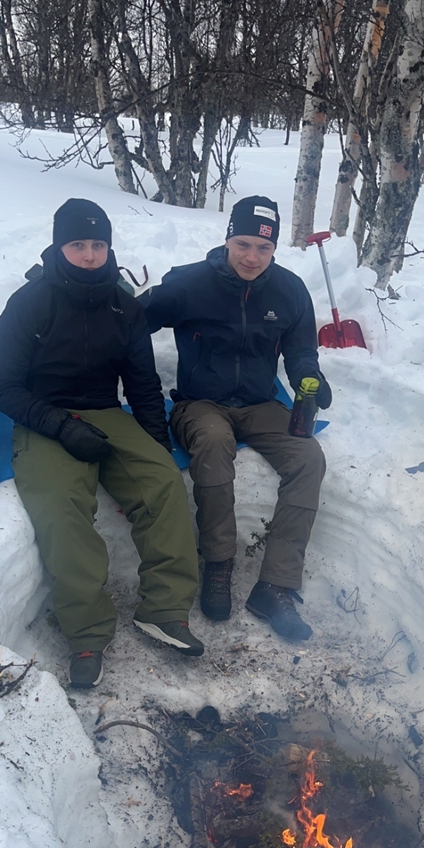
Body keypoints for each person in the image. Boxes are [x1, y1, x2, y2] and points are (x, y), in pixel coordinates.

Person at [0, 198, 204, 687]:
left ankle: (164, 609)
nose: (89, 255)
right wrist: (61, 426)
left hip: (107, 411)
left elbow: (143, 383)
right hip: (45, 415)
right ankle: (86, 630)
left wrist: (155, 449)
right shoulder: (30, 302)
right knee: (62, 506)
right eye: (78, 244)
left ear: (109, 247)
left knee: (164, 483)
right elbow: (1, 386)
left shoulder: (122, 303)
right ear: (59, 246)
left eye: (98, 245)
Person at [139, 195, 331, 642]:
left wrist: (311, 378)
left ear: (274, 250)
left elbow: (302, 351)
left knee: (308, 458)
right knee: (212, 442)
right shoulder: (190, 284)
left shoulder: (289, 290)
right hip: (199, 403)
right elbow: (132, 321)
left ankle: (276, 587)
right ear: (228, 239)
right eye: (243, 244)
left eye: (263, 249)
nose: (251, 257)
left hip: (261, 404)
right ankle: (219, 565)